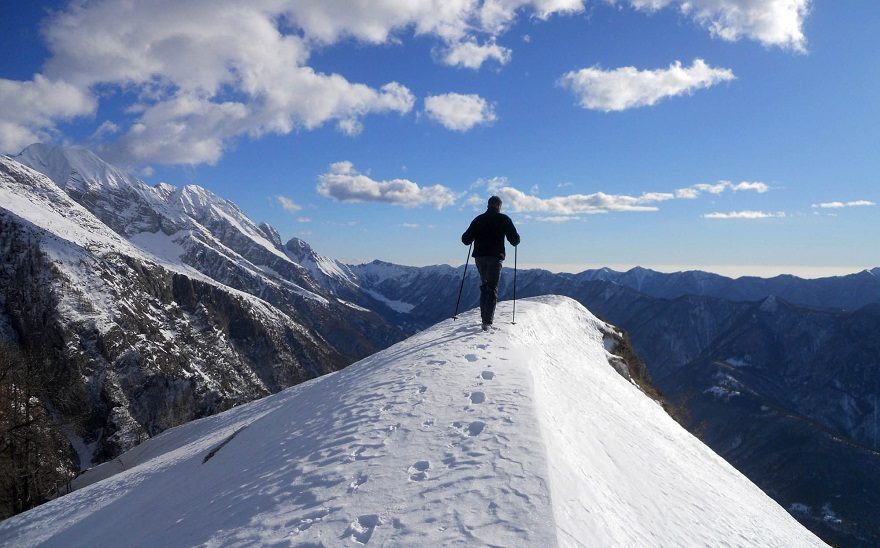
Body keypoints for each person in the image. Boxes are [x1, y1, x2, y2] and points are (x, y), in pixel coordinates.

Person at [461, 195, 520, 330]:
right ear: (499, 206)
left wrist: (474, 237)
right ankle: (487, 322)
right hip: (495, 257)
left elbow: (465, 239)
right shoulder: (504, 219)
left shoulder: (478, 220)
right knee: (492, 287)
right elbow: (514, 240)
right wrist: (517, 238)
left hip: (480, 258)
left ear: (488, 205)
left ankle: (484, 319)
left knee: (485, 286)